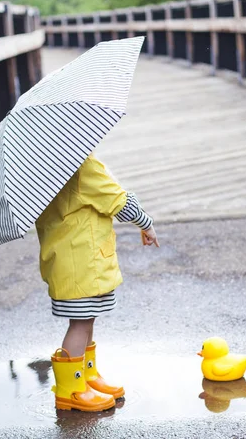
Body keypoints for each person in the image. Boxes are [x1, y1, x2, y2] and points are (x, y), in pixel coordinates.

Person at [35, 150, 158, 412]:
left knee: (86, 318)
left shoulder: (47, 166)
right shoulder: (82, 166)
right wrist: (145, 223)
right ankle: (71, 390)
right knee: (80, 324)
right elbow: (117, 199)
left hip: (73, 257)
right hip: (82, 260)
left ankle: (86, 376)